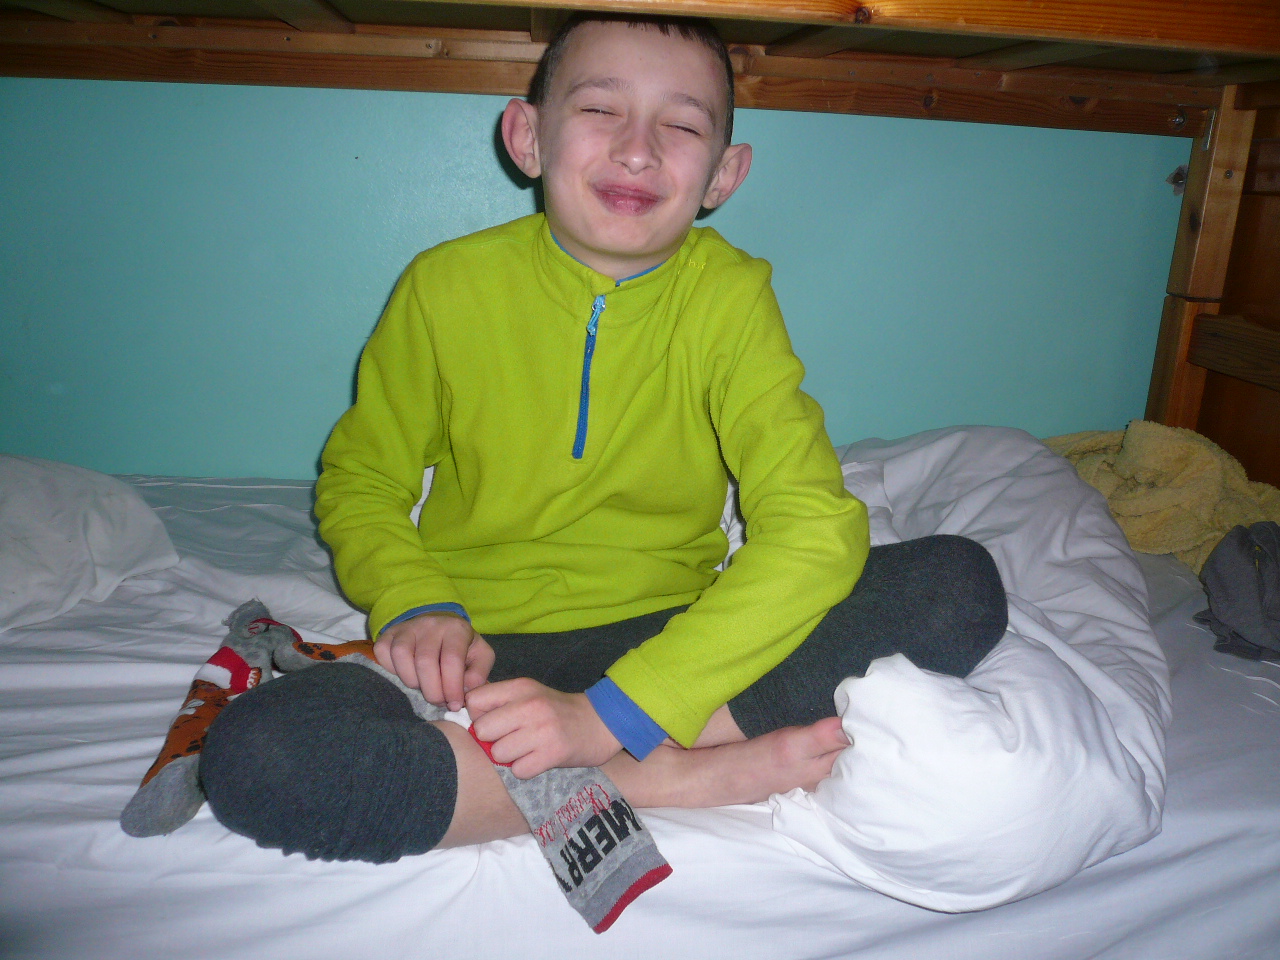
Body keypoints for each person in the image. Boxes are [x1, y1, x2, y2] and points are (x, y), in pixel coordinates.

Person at [199, 14, 1007, 862]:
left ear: (723, 175)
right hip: (480, 654)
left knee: (956, 586)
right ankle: (663, 777)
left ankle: (622, 743)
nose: (637, 150)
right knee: (259, 759)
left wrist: (610, 713)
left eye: (681, 125)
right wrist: (415, 601)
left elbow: (815, 527)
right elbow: (363, 478)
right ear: (528, 138)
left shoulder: (730, 299)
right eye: (599, 110)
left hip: (674, 642)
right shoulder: (444, 287)